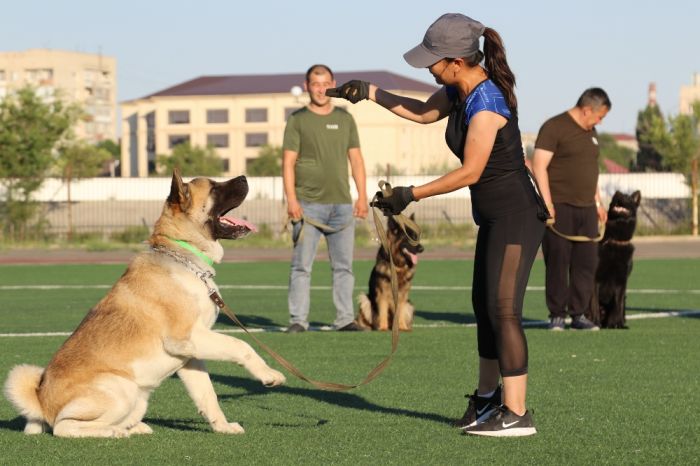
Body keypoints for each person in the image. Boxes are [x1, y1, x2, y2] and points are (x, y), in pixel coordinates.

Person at [328, 13, 546, 436]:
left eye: (433, 60)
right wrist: (370, 92)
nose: (428, 68)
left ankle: (516, 413)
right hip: (494, 217)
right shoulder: (458, 90)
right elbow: (422, 114)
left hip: (518, 216)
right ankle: (486, 400)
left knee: (504, 310)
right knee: (484, 309)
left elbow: (471, 171)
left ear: (457, 60)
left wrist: (409, 194)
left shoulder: (488, 100)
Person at [282, 64, 368, 333]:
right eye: (315, 84)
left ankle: (344, 319)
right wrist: (292, 200)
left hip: (341, 206)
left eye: (324, 83)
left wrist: (362, 196)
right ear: (307, 86)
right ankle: (298, 320)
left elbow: (356, 160)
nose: (320, 89)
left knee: (344, 267)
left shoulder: (345, 119)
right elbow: (288, 163)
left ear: (333, 84)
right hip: (307, 206)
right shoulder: (297, 120)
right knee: (301, 267)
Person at [531, 89, 610, 331]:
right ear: (587, 110)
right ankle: (557, 314)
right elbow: (539, 165)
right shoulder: (554, 127)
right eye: (599, 117)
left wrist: (598, 203)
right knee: (558, 263)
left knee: (586, 264)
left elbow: (591, 169)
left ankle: (579, 314)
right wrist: (548, 203)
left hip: (587, 208)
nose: (599, 122)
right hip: (560, 206)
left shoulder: (591, 132)